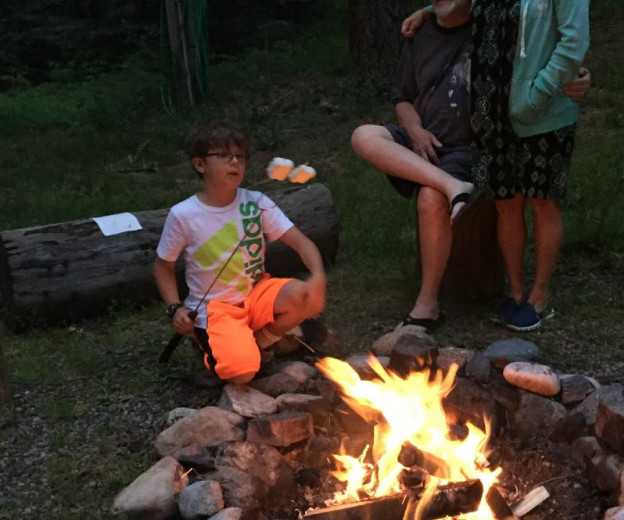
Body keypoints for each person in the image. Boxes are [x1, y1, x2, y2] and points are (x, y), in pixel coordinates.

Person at [403, 0, 590, 332]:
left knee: (542, 201)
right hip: (489, 111)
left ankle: (538, 294)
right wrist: (428, 11)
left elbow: (573, 43)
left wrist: (535, 97)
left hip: (544, 110)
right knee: (506, 202)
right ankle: (515, 289)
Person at [153, 122, 326, 384]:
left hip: (256, 294)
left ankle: (260, 343)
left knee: (303, 295)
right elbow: (162, 267)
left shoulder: (256, 202)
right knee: (243, 372)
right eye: (224, 155)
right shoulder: (183, 215)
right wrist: (174, 308)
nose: (235, 162)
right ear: (200, 165)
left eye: (240, 156)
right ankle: (210, 347)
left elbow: (302, 243)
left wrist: (318, 277)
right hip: (216, 310)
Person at [350, 0, 477, 333]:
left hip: (465, 148)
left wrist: (577, 71)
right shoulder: (419, 33)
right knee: (363, 135)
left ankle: (427, 305)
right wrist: (416, 130)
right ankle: (453, 187)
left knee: (429, 198)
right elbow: (402, 97)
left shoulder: (492, 28)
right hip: (420, 139)